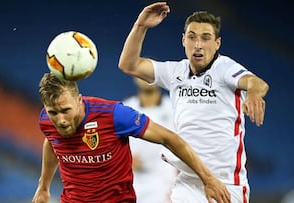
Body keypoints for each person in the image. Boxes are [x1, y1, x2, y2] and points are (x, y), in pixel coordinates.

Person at [118, 2, 269, 203]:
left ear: (217, 43)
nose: (198, 44)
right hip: (187, 182)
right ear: (183, 40)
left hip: (226, 184)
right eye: (192, 37)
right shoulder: (174, 73)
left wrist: (253, 94)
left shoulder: (224, 69)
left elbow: (256, 82)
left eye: (206, 38)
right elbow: (129, 64)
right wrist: (140, 26)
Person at [32, 73, 230, 203]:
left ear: (79, 99)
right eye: (53, 112)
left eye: (66, 110)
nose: (60, 120)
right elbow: (52, 141)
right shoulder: (46, 121)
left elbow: (169, 138)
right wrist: (43, 187)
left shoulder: (114, 115)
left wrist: (208, 178)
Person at [123, 77, 177, 203]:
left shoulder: (173, 108)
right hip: (134, 179)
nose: (145, 78)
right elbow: (115, 141)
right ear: (135, 79)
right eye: (141, 74)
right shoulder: (127, 108)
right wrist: (126, 159)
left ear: (159, 78)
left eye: (149, 74)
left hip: (164, 179)